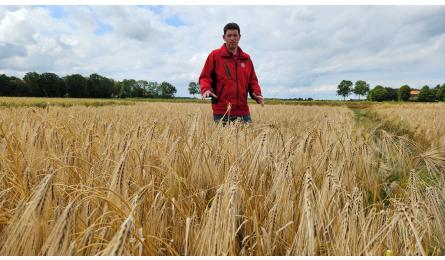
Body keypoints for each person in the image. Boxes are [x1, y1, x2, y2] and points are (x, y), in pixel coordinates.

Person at [199, 22, 264, 124]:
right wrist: (206, 89)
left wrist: (257, 94)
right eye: (229, 35)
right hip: (221, 111)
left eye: (235, 35)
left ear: (239, 37)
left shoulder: (246, 58)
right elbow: (205, 77)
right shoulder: (215, 55)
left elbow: (253, 81)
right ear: (224, 37)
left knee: (248, 140)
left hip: (243, 111)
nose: (232, 38)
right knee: (221, 140)